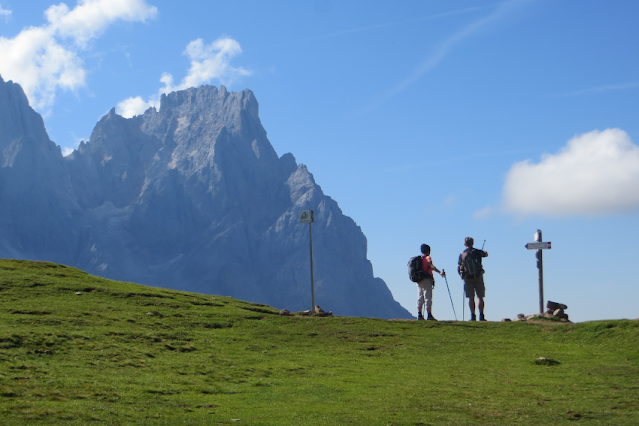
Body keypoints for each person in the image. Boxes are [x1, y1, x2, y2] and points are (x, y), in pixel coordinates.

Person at [458, 237, 488, 321]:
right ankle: (481, 316)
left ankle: (472, 316)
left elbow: (459, 267)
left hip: (467, 277)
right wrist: (484, 252)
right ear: (473, 243)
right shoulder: (478, 252)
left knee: (471, 297)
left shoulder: (462, 254)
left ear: (465, 244)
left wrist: (461, 275)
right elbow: (486, 254)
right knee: (480, 297)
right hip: (478, 276)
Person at [416, 244, 445, 321]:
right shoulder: (428, 258)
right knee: (427, 297)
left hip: (419, 279)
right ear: (429, 251)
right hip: (426, 279)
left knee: (420, 296)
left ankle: (419, 314)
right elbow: (430, 265)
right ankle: (429, 315)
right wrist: (439, 272)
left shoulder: (420, 259)